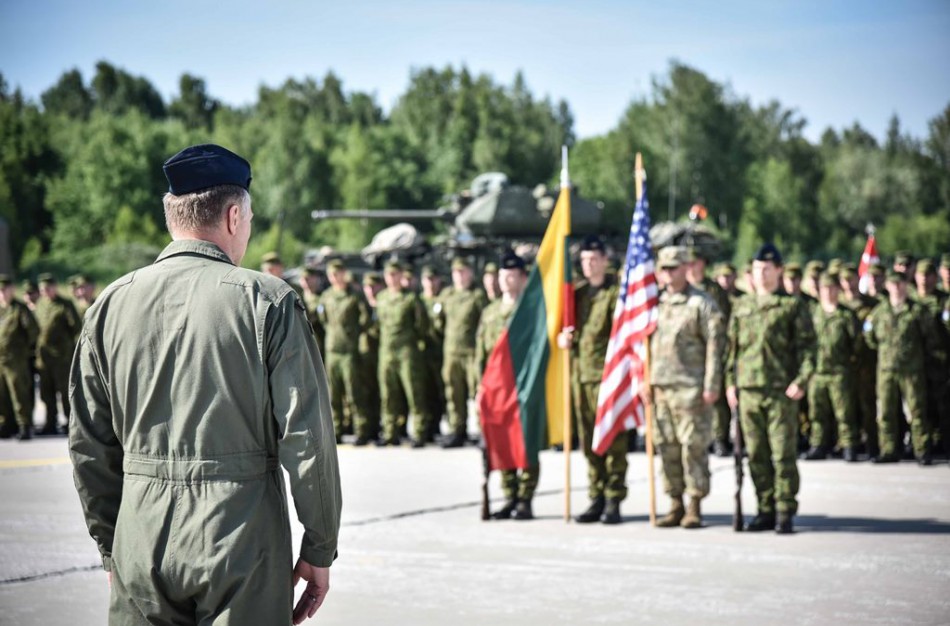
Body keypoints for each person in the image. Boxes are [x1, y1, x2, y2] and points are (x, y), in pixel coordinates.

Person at [68, 144, 341, 625]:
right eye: (250, 220)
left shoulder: (109, 305)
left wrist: (114, 547)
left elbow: (89, 445)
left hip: (140, 534)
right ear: (234, 216)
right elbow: (307, 438)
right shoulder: (268, 302)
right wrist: (320, 547)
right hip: (241, 538)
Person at [726, 243, 815, 534]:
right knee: (756, 455)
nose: (762, 274)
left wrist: (801, 381)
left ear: (778, 270)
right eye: (757, 269)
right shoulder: (742, 307)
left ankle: (784, 509)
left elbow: (808, 350)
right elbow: (732, 351)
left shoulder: (792, 306)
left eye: (767, 268)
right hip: (749, 391)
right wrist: (730, 384)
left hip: (780, 392)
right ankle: (764, 508)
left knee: (782, 454)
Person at [645, 247, 725, 529]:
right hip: (660, 388)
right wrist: (645, 381)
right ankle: (675, 502)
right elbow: (644, 347)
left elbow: (715, 347)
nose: (668, 273)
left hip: (691, 389)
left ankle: (694, 504)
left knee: (692, 447)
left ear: (685, 268)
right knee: (666, 447)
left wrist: (711, 385)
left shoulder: (701, 303)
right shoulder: (655, 303)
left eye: (674, 268)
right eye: (664, 268)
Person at [558, 235, 626, 525]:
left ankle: (613, 498)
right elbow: (566, 326)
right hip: (581, 377)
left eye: (594, 259)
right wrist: (564, 338)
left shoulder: (617, 293)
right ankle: (596, 495)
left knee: (613, 440)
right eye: (584, 260)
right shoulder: (578, 295)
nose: (589, 265)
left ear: (604, 260)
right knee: (588, 441)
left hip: (608, 378)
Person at [475, 252, 539, 520]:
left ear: (524, 278)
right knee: (500, 443)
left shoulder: (532, 311)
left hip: (522, 387)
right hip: (495, 390)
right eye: (503, 275)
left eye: (512, 275)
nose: (506, 280)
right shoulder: (490, 312)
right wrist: (478, 388)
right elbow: (480, 353)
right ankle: (509, 494)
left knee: (525, 442)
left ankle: (525, 498)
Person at [864, 270, 941, 465]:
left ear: (906, 286)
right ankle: (889, 449)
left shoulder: (917, 311)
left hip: (912, 370)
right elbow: (870, 338)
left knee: (916, 411)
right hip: (886, 370)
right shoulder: (879, 312)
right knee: (886, 412)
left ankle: (922, 450)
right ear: (888, 286)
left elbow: (930, 338)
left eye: (901, 284)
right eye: (893, 284)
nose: (897, 288)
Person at [802, 272, 860, 462]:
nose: (827, 292)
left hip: (839, 372)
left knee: (844, 412)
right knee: (817, 412)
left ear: (838, 289)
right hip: (817, 372)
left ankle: (849, 445)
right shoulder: (813, 313)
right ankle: (818, 445)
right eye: (824, 289)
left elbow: (857, 345)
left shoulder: (845, 315)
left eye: (831, 288)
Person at [375, 260, 433, 447]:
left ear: (401, 276)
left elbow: (422, 325)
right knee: (388, 394)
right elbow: (378, 325)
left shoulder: (411, 299)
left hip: (407, 352)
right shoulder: (382, 297)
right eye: (388, 275)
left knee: (414, 393)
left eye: (395, 275)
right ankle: (390, 431)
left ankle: (419, 432)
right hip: (386, 352)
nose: (392, 279)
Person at [319, 259, 372, 444]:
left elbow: (365, 319)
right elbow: (323, 319)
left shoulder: (354, 295)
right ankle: (337, 430)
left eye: (338, 273)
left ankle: (361, 429)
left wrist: (354, 334)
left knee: (354, 392)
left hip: (349, 350)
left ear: (344, 274)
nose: (335, 277)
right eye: (332, 274)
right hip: (333, 350)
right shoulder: (326, 296)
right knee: (334, 393)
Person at [439, 258, 489, 448]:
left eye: (464, 272)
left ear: (470, 273)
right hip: (451, 351)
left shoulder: (477, 296)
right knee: (453, 392)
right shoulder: (447, 295)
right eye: (456, 272)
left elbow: (484, 323)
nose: (460, 276)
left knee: (476, 391)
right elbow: (439, 322)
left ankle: (483, 430)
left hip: (471, 352)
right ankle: (456, 429)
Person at [35, 273, 81, 435]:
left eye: (48, 288)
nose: (45, 291)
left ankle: (70, 423)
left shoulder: (65, 305)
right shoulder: (40, 304)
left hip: (61, 357)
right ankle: (50, 423)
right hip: (44, 358)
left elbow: (76, 327)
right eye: (42, 289)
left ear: (55, 287)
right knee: (46, 393)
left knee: (65, 392)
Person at [0, 275, 39, 440]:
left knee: (19, 393)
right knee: (2, 394)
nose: (2, 293)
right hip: (1, 359)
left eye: (4, 290)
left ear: (12, 290)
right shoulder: (1, 310)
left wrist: (23, 349)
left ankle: (24, 425)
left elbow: (33, 331)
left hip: (16, 359)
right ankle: (6, 424)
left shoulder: (19, 309)